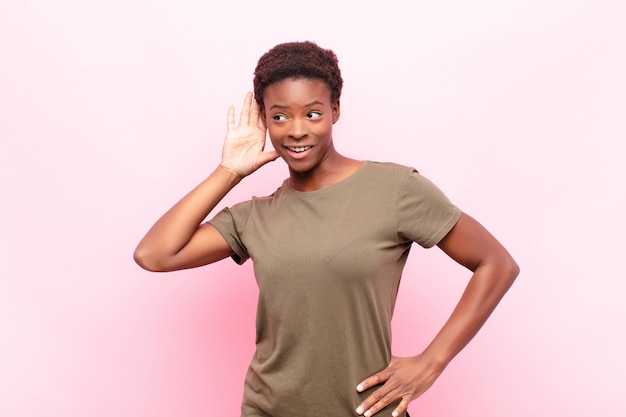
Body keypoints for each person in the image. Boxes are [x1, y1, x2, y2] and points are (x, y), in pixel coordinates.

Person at [134, 41, 519, 417]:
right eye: (280, 116)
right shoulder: (254, 216)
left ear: (334, 110)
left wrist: (431, 362)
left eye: (312, 114)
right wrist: (229, 171)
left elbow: (496, 263)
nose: (296, 130)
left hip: (366, 410)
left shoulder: (395, 190)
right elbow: (154, 254)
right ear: (265, 121)